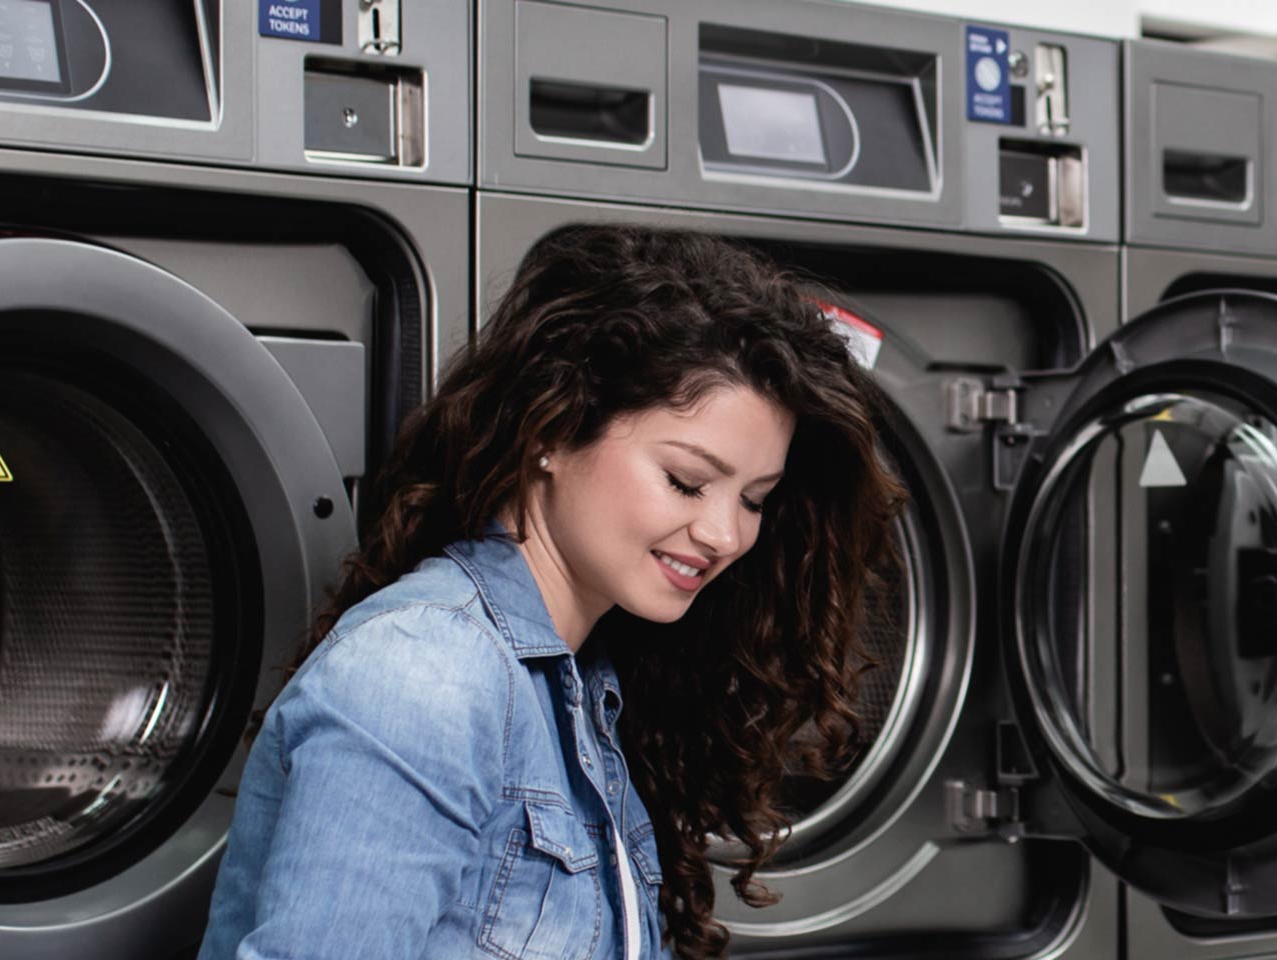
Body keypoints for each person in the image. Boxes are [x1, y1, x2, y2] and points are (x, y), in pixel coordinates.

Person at [197, 224, 904, 959]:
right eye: (686, 482)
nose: (725, 535)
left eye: (755, 500)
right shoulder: (425, 677)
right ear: (553, 432)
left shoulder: (583, 687)